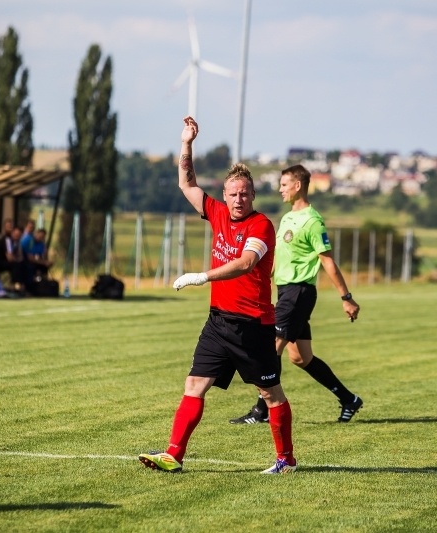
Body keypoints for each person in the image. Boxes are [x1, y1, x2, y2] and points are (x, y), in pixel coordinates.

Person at [138, 116, 296, 474]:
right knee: (194, 384)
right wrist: (186, 143)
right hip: (218, 322)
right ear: (224, 196)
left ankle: (286, 460)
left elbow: (245, 262)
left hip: (253, 326)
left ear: (253, 195)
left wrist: (202, 276)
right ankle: (173, 456)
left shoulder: (261, 226)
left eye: (244, 193)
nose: (238, 199)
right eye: (233, 194)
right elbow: (187, 182)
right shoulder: (216, 211)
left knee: (270, 395)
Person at [230, 164, 363, 425]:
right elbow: (281, 258)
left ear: (298, 186)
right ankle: (349, 399)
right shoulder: (288, 218)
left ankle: (261, 411)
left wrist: (346, 298)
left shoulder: (312, 221)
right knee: (301, 357)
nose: (279, 189)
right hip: (286, 292)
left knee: (270, 350)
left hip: (299, 293)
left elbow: (327, 262)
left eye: (284, 184)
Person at [0, 225, 25, 293]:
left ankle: (22, 286)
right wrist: (17, 260)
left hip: (4, 261)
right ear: (12, 233)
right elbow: (10, 258)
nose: (17, 237)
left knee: (23, 265)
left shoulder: (17, 242)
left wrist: (18, 260)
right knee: (15, 265)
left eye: (19, 236)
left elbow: (20, 257)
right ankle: (13, 286)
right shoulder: (7, 240)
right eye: (16, 235)